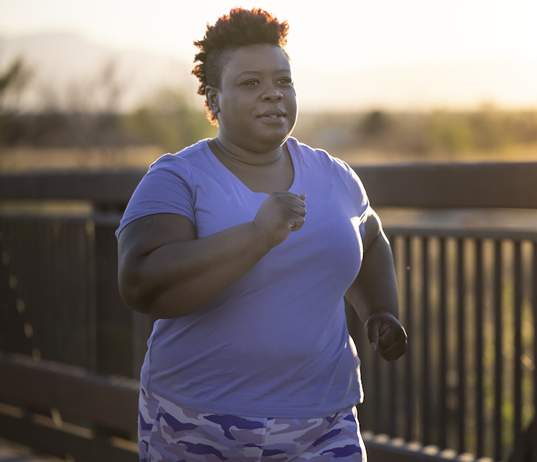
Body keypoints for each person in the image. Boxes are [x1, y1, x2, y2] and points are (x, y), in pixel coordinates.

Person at [115, 7, 407, 461]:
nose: (272, 94)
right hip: (196, 422)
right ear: (213, 101)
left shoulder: (333, 176)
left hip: (322, 421)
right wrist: (255, 236)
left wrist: (380, 311)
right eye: (251, 83)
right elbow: (139, 280)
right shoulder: (177, 178)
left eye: (283, 81)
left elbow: (369, 238)